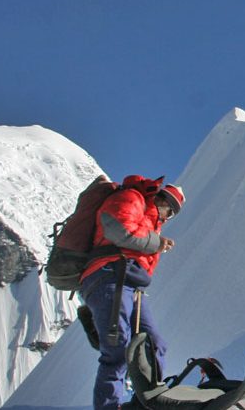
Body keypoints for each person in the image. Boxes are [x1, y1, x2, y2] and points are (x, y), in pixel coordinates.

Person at [80, 175, 185, 410]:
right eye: (170, 211)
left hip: (129, 284)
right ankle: (109, 406)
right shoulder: (131, 198)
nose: (167, 218)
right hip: (109, 276)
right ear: (162, 201)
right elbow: (117, 228)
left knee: (154, 344)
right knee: (117, 348)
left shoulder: (149, 221)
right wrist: (155, 243)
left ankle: (145, 403)